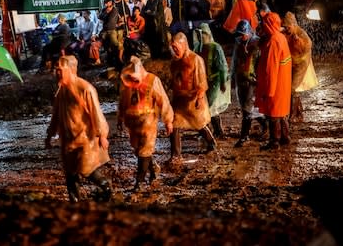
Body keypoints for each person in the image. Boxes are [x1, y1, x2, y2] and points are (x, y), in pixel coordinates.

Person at [45, 55, 112, 202]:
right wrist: (50, 135)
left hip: (85, 139)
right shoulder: (61, 92)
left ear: (70, 70)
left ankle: (106, 187)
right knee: (70, 172)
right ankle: (74, 200)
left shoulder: (85, 88)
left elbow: (96, 113)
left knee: (86, 169)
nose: (57, 73)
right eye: (56, 70)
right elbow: (55, 116)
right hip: (68, 139)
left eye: (60, 70)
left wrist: (102, 135)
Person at [117, 56, 174, 191]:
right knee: (139, 150)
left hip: (148, 122)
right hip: (132, 122)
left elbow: (163, 101)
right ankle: (153, 168)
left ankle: (139, 182)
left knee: (144, 150)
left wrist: (168, 120)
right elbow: (123, 101)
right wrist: (120, 118)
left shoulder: (153, 81)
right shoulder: (127, 82)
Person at [169, 32, 217, 163]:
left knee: (199, 123)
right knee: (174, 125)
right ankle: (176, 154)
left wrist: (200, 98)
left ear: (183, 44)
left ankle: (211, 143)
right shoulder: (174, 62)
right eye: (172, 47)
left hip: (193, 98)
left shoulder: (196, 60)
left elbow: (202, 82)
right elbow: (173, 80)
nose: (174, 50)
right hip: (179, 99)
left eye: (176, 47)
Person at [255, 12, 292, 151]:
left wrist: (268, 90)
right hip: (283, 82)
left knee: (273, 113)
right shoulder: (280, 37)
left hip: (275, 85)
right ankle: (284, 137)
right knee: (281, 112)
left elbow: (271, 69)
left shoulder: (273, 42)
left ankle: (274, 141)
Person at [231, 19, 267, 148]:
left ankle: (244, 136)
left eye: (243, 34)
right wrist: (232, 79)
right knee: (247, 108)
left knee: (247, 110)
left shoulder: (257, 43)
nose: (242, 36)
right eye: (240, 34)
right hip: (241, 80)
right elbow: (235, 62)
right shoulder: (238, 43)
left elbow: (261, 63)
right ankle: (265, 124)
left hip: (252, 81)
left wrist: (260, 79)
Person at [282, 12, 319, 123]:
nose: (286, 29)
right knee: (292, 88)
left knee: (292, 88)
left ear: (293, 25)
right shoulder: (287, 33)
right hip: (291, 62)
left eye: (288, 27)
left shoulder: (301, 33)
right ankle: (298, 112)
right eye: (285, 27)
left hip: (301, 63)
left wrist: (298, 42)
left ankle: (293, 115)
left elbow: (307, 47)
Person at [199, 23, 230, 139]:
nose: (202, 37)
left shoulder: (215, 47)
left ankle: (216, 132)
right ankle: (216, 131)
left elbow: (222, 66)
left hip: (215, 81)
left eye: (204, 34)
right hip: (206, 82)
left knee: (210, 106)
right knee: (209, 107)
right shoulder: (201, 48)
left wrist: (222, 82)